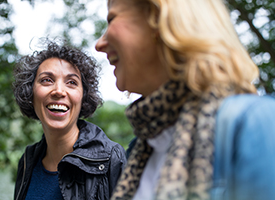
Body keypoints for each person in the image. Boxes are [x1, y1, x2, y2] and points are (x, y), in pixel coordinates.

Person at [95, 0, 275, 199]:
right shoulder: (141, 149)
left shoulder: (254, 123)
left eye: (112, 19)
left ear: (160, 18)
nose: (99, 44)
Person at [13, 38, 127, 200]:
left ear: (83, 97)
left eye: (71, 82)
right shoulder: (27, 161)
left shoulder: (112, 159)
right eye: (47, 80)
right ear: (31, 94)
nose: (59, 91)